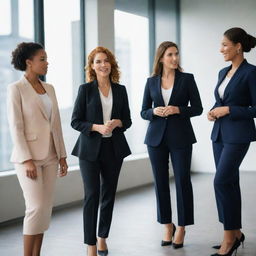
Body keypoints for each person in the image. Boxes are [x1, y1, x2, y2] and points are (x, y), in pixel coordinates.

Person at [7, 42, 68, 256]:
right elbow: (16, 127)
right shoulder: (15, 89)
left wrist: (62, 155)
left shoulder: (49, 88)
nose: (46, 63)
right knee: (34, 208)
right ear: (28, 62)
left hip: (51, 155)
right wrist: (26, 160)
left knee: (44, 210)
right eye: (42, 59)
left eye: (46, 58)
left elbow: (56, 124)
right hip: (29, 158)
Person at [141, 41, 203, 249]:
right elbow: (143, 111)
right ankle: (167, 225)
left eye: (176, 54)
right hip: (155, 138)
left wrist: (178, 110)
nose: (175, 58)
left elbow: (198, 108)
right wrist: (153, 112)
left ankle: (183, 227)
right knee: (160, 183)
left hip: (181, 137)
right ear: (161, 58)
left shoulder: (187, 79)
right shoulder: (151, 82)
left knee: (183, 181)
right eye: (170, 55)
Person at [71, 46, 132, 256]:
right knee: (92, 195)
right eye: (98, 61)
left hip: (113, 149)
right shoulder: (85, 90)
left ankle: (102, 237)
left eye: (106, 61)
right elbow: (75, 121)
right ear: (92, 66)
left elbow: (128, 120)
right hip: (89, 150)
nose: (103, 64)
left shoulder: (121, 90)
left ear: (111, 64)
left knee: (108, 194)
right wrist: (96, 127)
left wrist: (117, 123)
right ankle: (90, 244)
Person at [208, 27, 256, 256]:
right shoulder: (222, 73)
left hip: (239, 135)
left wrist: (229, 110)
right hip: (219, 135)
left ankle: (229, 239)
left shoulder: (251, 73)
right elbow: (220, 100)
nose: (221, 49)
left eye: (225, 45)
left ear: (238, 47)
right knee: (229, 183)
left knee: (220, 181)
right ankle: (235, 233)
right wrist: (213, 111)